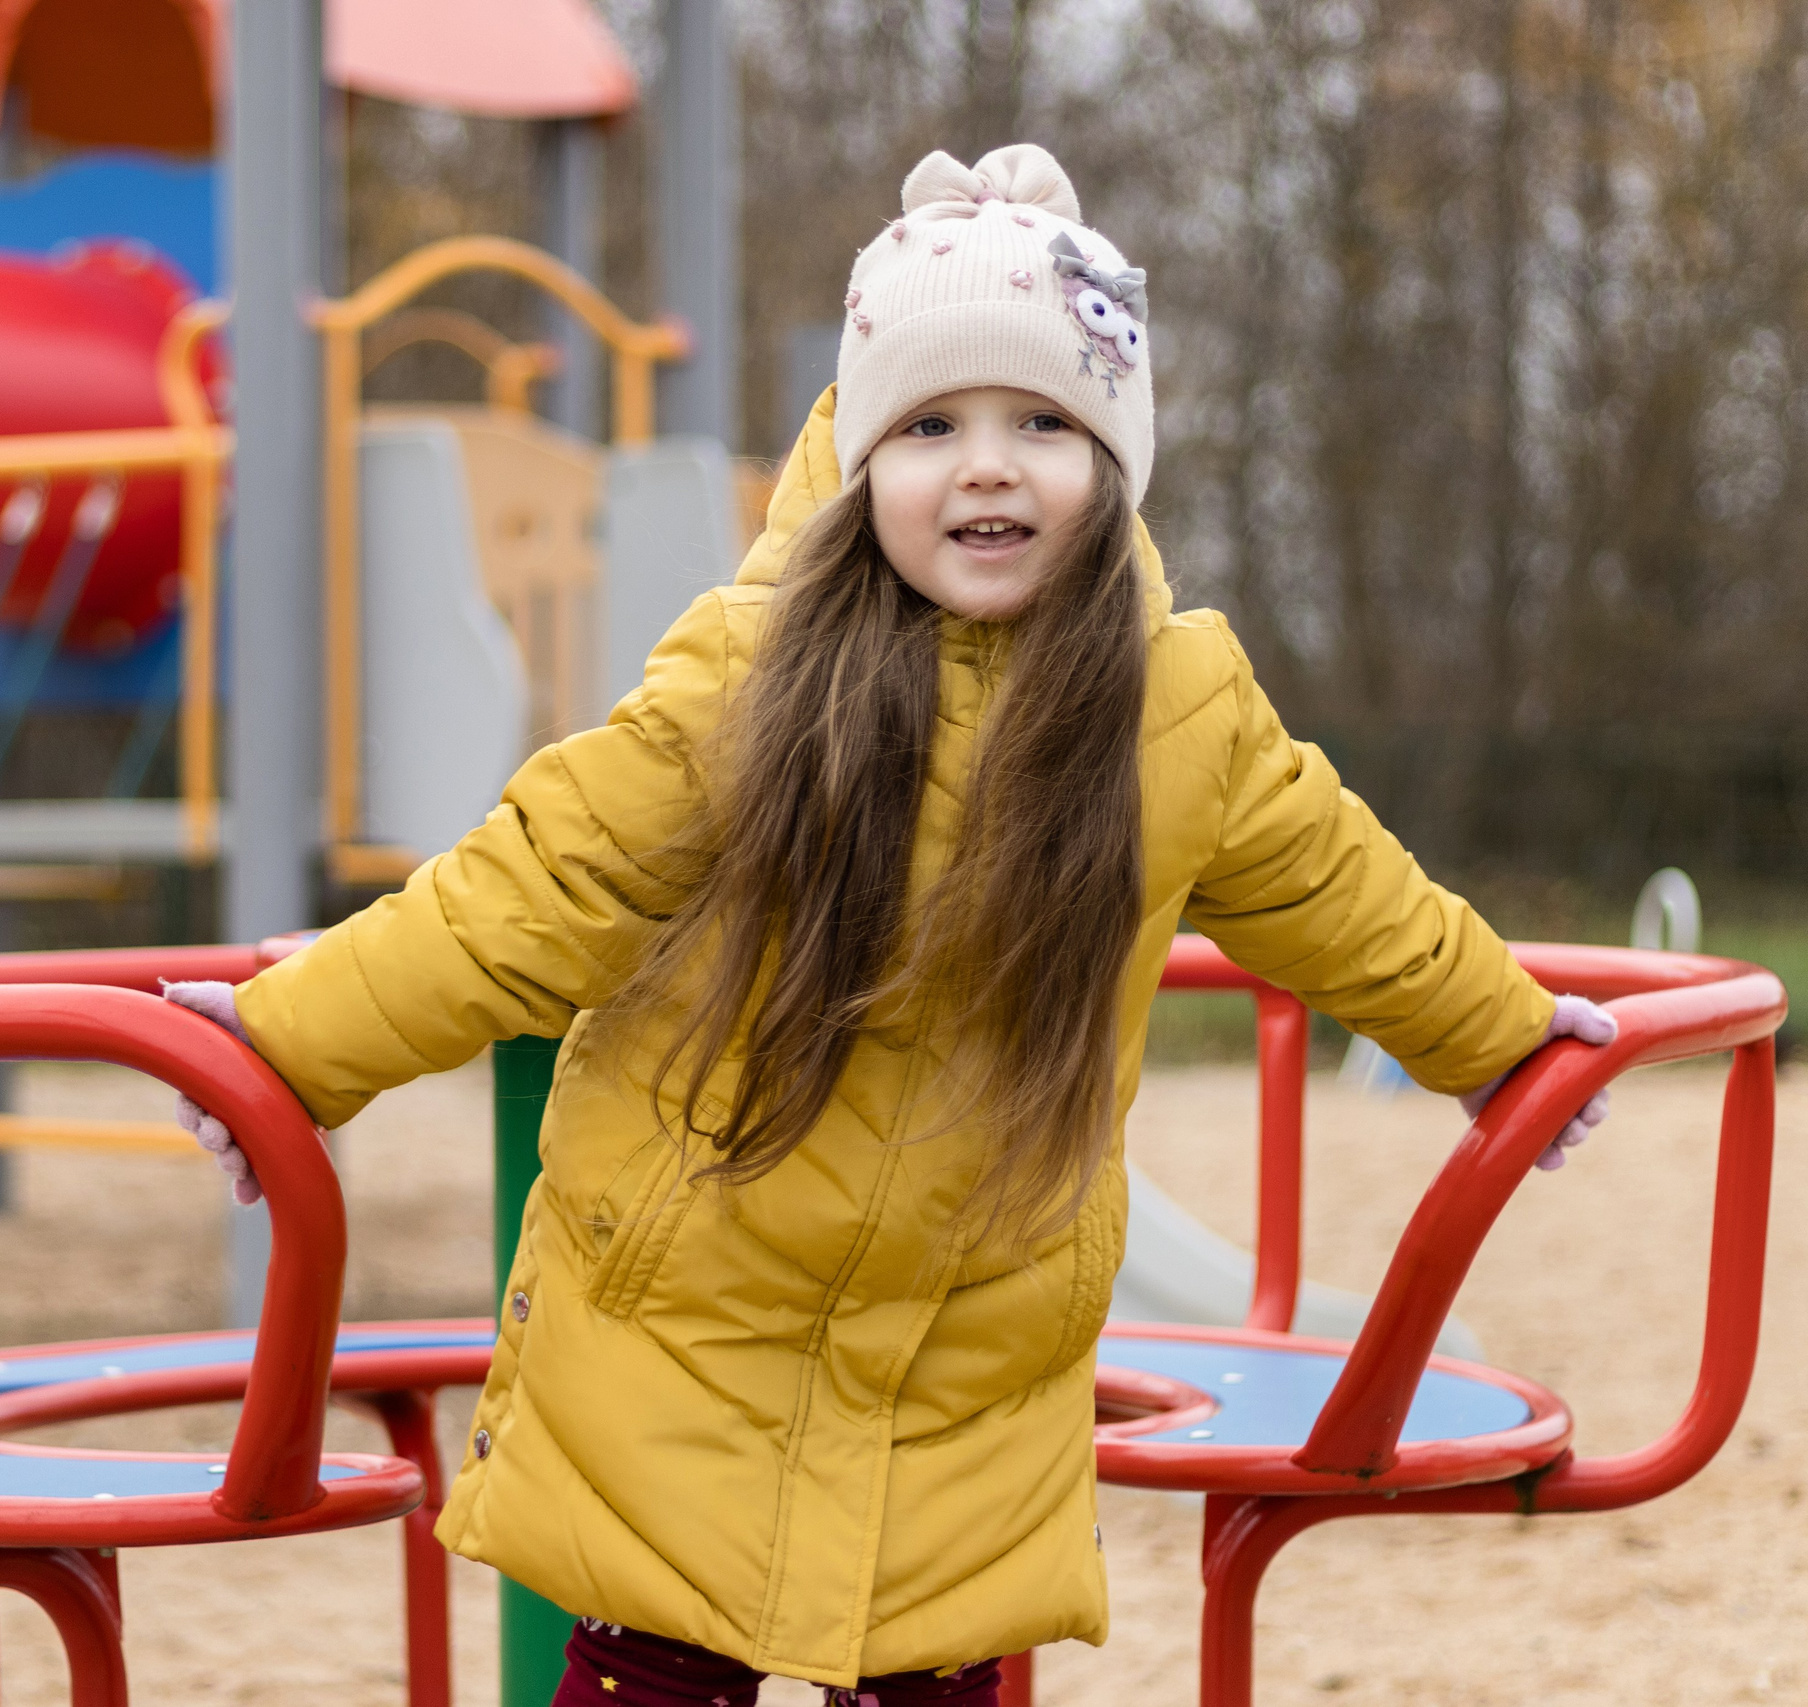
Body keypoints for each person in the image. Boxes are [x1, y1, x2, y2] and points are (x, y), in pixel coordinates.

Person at [166, 145, 1615, 1705]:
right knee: (651, 1662)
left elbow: (1349, 895)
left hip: (974, 1351)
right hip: (691, 1324)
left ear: (1113, 463)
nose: (987, 467)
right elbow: (535, 888)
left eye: (1044, 424)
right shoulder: (753, 680)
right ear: (861, 462)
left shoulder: (1179, 707)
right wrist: (289, 1045)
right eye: (930, 425)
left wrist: (1497, 1037)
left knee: (937, 1671)